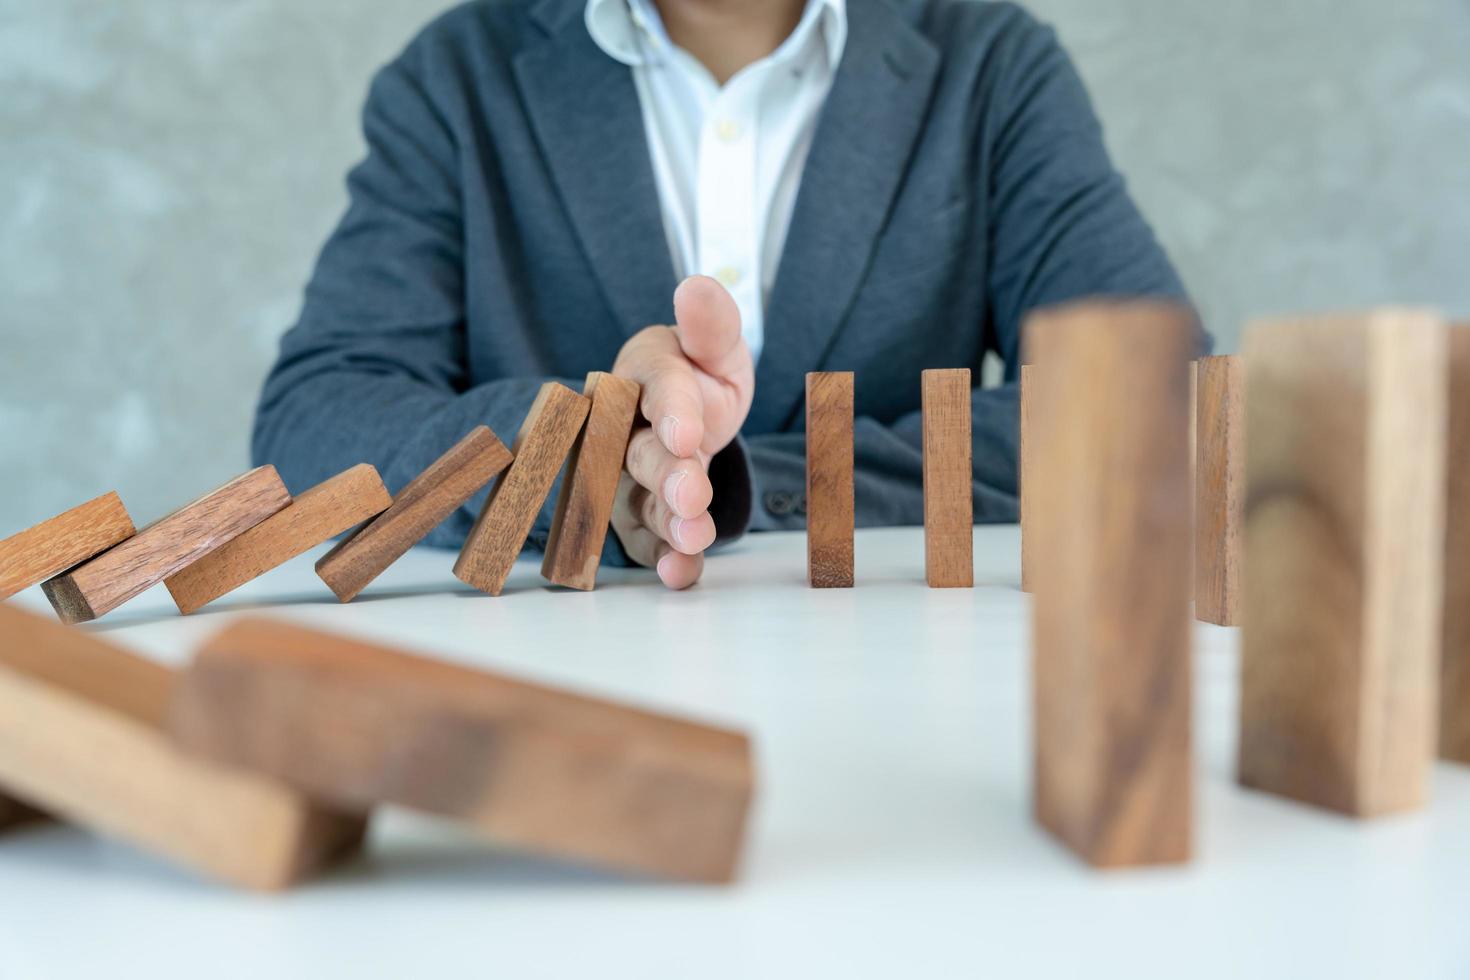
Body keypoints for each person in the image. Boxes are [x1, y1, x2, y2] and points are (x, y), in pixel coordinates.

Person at [253, 0, 1196, 590]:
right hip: (567, 692)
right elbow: (316, 419)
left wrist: (739, 482)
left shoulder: (991, 66)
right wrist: (593, 450)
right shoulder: (456, 77)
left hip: (905, 691)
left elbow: (1163, 399)